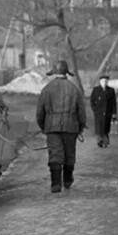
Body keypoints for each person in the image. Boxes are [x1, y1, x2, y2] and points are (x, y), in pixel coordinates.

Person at [36, 60, 87, 193]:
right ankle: (68, 181)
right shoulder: (74, 89)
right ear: (66, 72)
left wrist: (43, 126)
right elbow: (81, 112)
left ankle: (55, 184)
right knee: (69, 154)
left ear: (54, 72)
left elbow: (40, 112)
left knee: (55, 154)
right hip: (71, 128)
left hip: (52, 128)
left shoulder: (46, 89)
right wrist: (80, 127)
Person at [90, 74, 117, 148]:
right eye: (103, 81)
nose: (104, 82)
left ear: (107, 82)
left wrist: (114, 113)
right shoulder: (96, 90)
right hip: (98, 113)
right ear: (100, 82)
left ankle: (105, 141)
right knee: (99, 127)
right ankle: (100, 141)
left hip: (108, 112)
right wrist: (95, 109)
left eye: (106, 81)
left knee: (106, 127)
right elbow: (92, 101)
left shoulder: (111, 90)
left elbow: (114, 103)